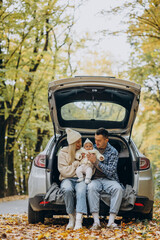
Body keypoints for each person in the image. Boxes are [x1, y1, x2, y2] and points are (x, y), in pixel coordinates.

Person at [87, 128, 124, 229]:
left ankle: (111, 222)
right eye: (95, 139)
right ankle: (96, 222)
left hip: (109, 179)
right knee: (90, 188)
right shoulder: (91, 149)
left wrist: (96, 162)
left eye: (99, 140)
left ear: (106, 140)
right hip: (95, 179)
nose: (96, 142)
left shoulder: (113, 152)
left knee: (118, 189)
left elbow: (111, 171)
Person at [58, 128, 87, 230]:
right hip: (67, 179)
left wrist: (72, 169)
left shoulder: (84, 152)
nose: (80, 144)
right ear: (72, 143)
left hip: (80, 179)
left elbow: (86, 168)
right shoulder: (63, 153)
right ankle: (71, 218)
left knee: (81, 190)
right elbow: (64, 172)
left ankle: (79, 220)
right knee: (67, 189)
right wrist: (76, 164)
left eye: (80, 141)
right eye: (77, 142)